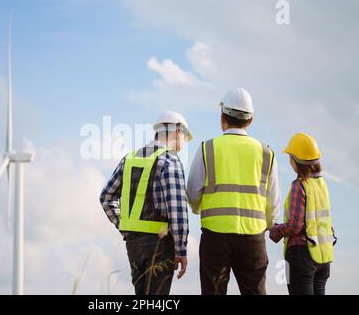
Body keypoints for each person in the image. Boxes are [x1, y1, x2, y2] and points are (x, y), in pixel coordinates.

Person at [187, 88, 280, 295]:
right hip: (253, 237)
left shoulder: (207, 148)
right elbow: (273, 204)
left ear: (222, 117)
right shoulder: (266, 153)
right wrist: (265, 224)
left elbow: (192, 193)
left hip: (215, 237)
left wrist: (199, 208)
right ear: (251, 120)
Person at [100, 111, 192, 295]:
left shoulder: (130, 158)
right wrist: (181, 249)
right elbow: (178, 211)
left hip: (132, 244)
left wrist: (125, 226)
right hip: (159, 244)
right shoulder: (170, 160)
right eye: (185, 138)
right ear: (178, 132)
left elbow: (106, 197)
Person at [269, 133, 335, 295]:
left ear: (295, 161)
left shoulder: (300, 186)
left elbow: (294, 225)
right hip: (323, 257)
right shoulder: (322, 184)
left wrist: (275, 230)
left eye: (290, 157)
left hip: (301, 257)